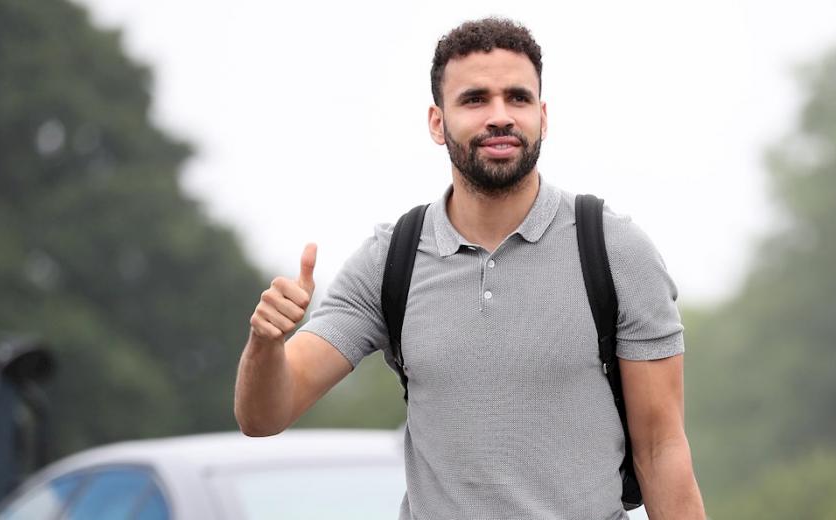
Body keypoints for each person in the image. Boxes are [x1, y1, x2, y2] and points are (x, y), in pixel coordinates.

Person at [233, 17, 705, 520]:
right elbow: (263, 417)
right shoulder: (389, 262)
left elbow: (661, 450)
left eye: (517, 98)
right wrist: (265, 344)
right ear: (437, 122)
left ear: (543, 116)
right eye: (475, 99)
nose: (500, 117)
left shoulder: (615, 250)